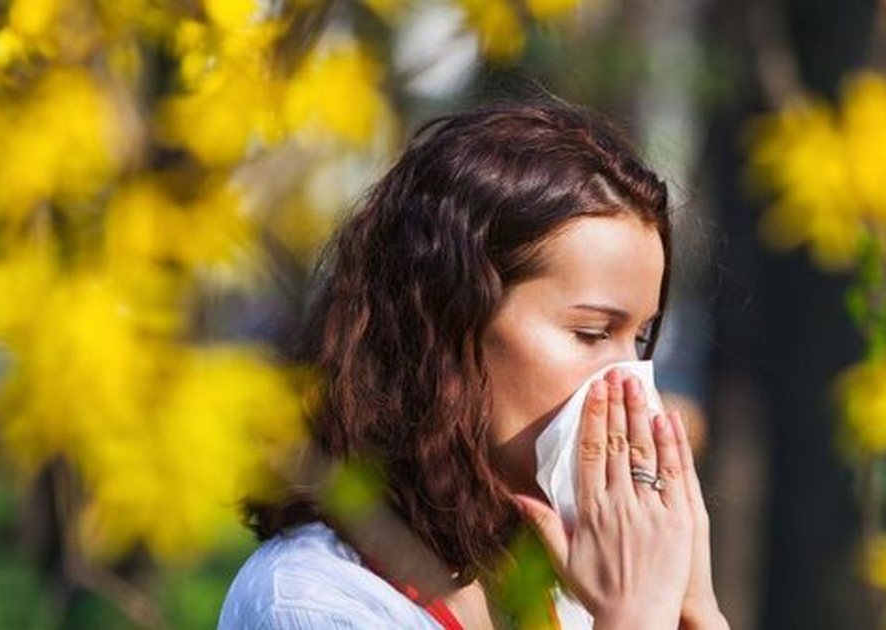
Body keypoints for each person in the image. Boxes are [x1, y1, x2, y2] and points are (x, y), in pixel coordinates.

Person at [217, 100, 728, 629]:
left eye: (640, 338)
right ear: (448, 323)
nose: (631, 385)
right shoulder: (310, 601)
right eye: (592, 333)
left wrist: (695, 611)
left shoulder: (570, 583)